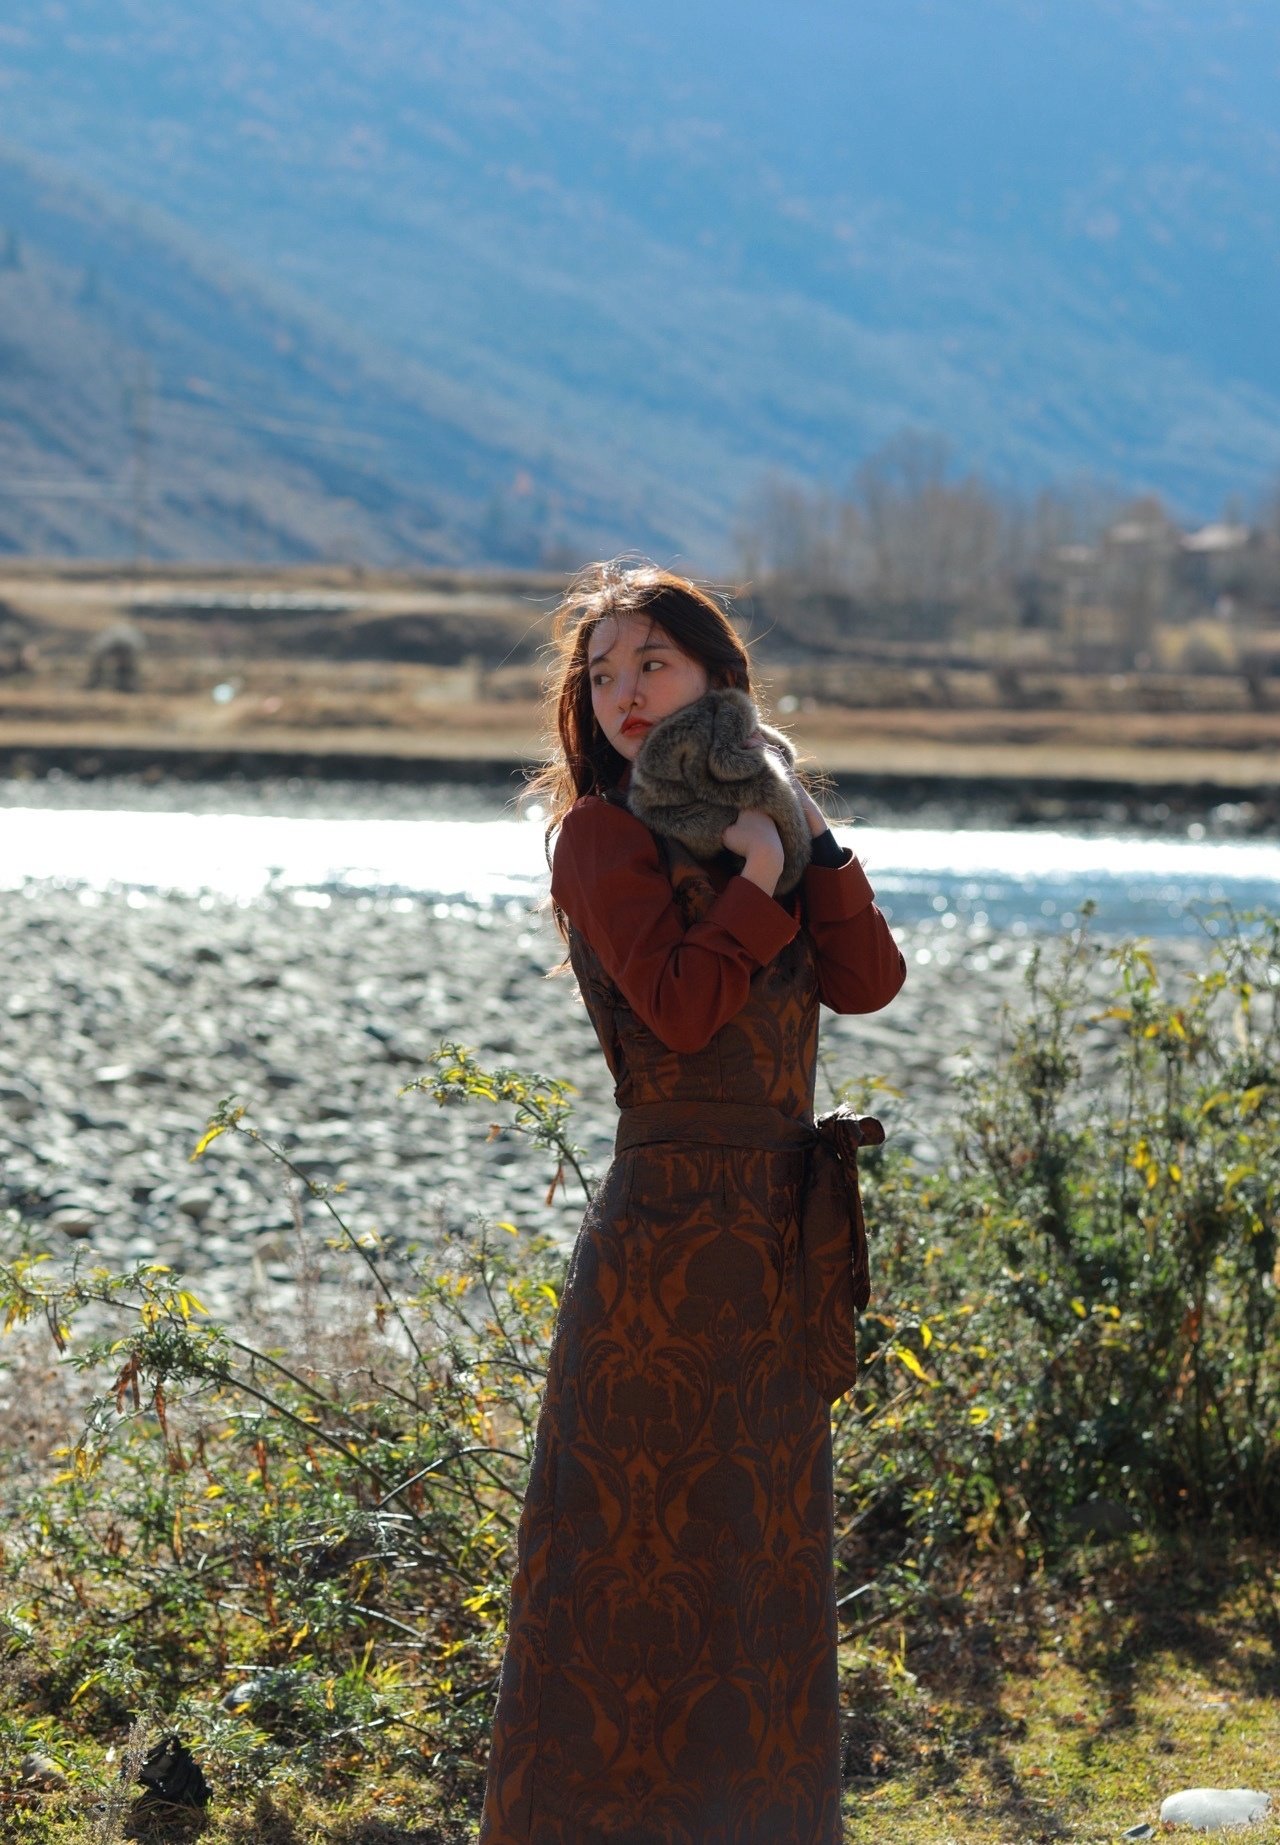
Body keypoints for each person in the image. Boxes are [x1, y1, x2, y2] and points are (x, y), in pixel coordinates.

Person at [479, 561, 906, 1845]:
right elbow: (677, 1009)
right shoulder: (599, 836)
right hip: (659, 1249)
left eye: (650, 664)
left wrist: (803, 835)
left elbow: (869, 981)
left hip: (777, 1241)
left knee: (757, 1559)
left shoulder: (770, 822)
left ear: (718, 676)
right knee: (620, 1560)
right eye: (601, 673)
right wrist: (753, 883)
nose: (623, 693)